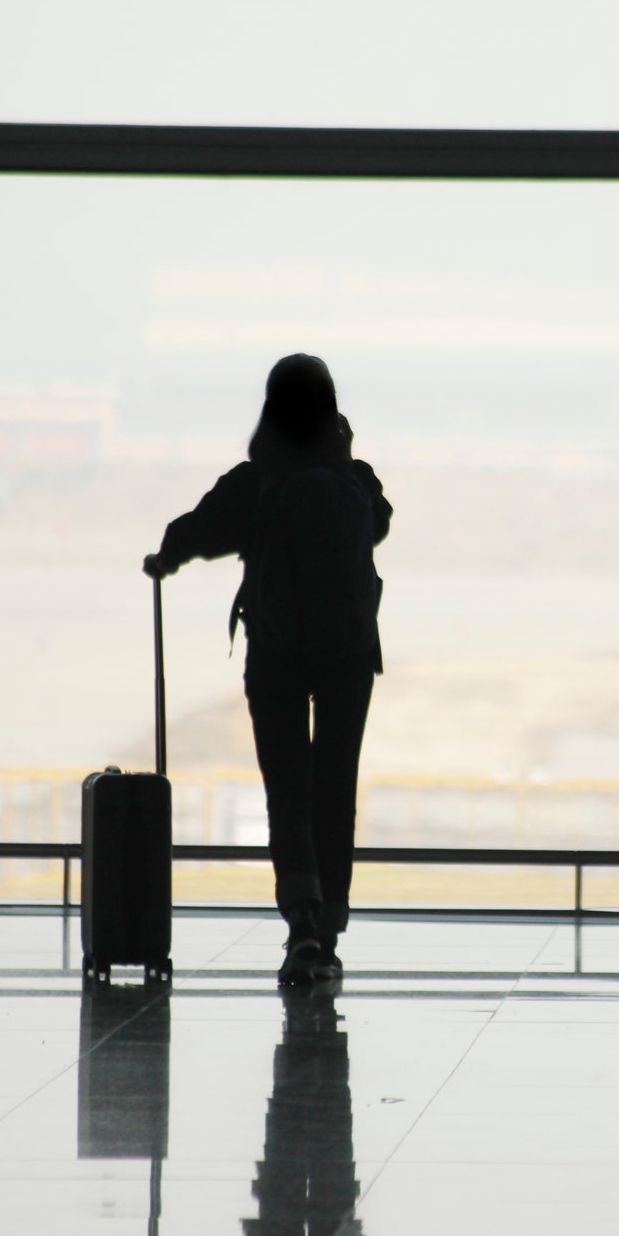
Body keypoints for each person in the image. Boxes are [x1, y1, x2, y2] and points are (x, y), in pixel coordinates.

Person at [145, 355, 389, 985]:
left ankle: (302, 924)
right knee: (335, 786)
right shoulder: (356, 477)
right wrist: (343, 454)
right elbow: (380, 527)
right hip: (350, 656)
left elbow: (195, 530)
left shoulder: (257, 479)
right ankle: (330, 931)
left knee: (287, 786)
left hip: (277, 654)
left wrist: (165, 559)